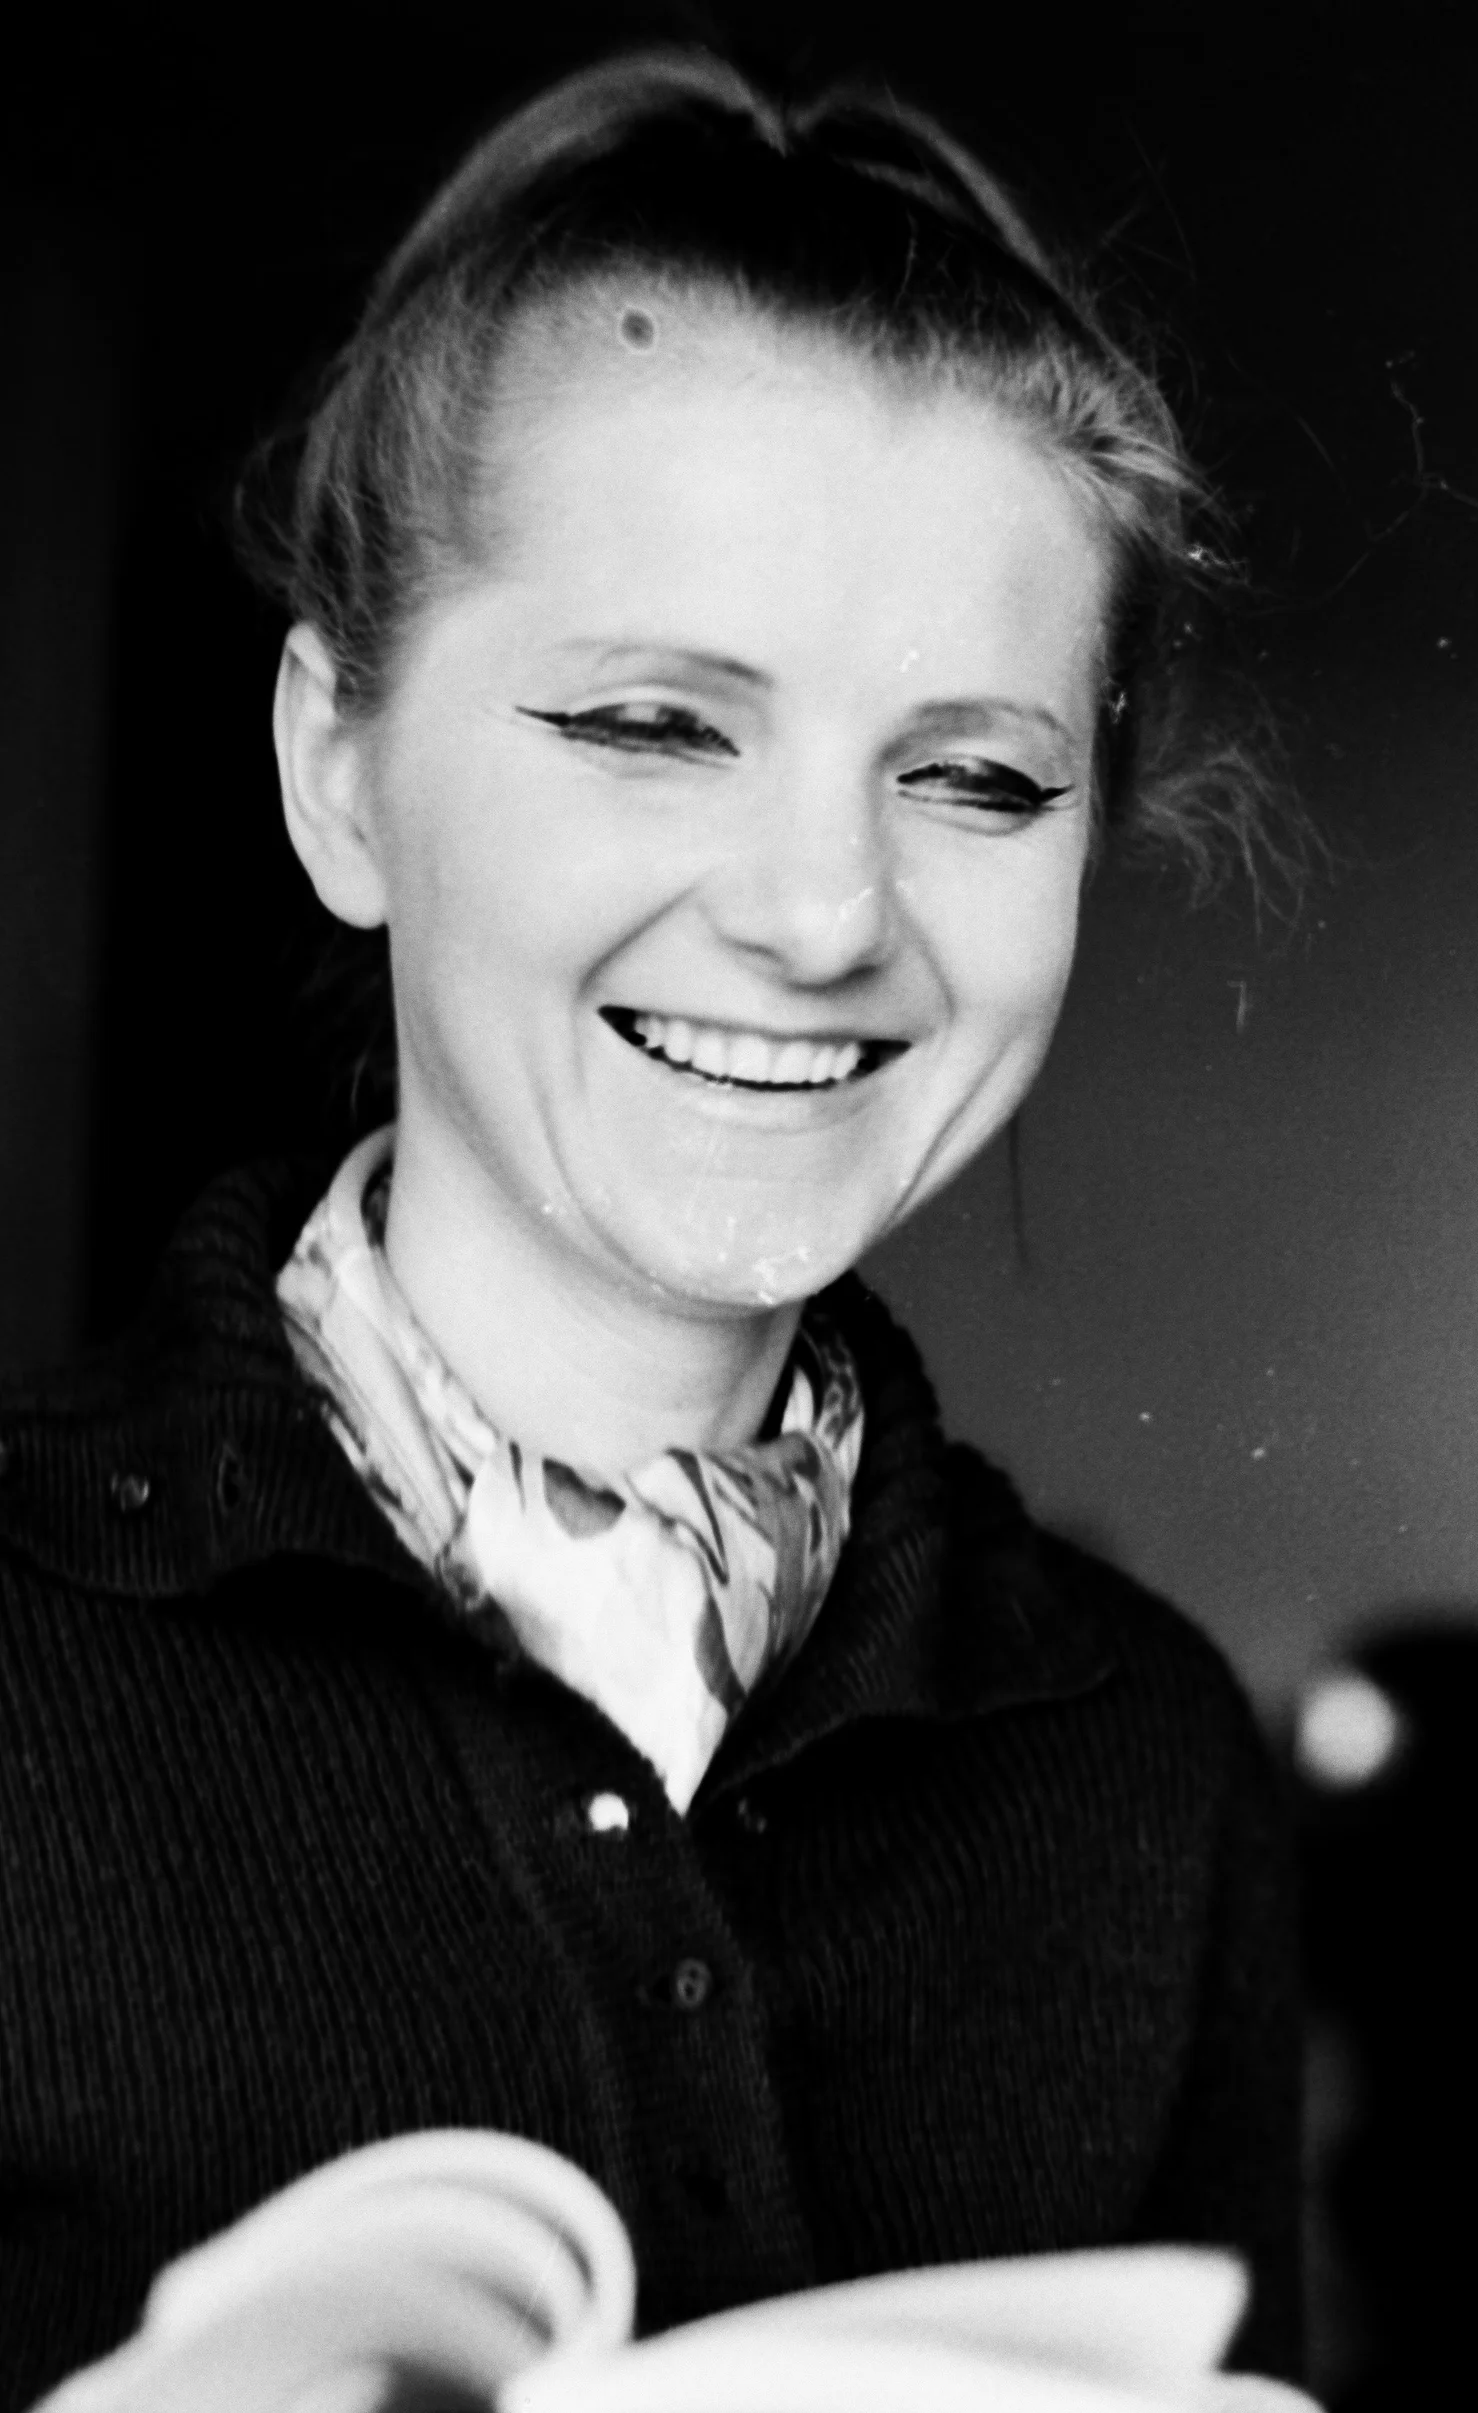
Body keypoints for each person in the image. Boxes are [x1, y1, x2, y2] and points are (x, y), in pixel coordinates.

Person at [0, 44, 1307, 2411]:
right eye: (651, 726)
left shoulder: (1151, 1769)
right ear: (335, 771)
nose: (821, 912)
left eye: (973, 775)